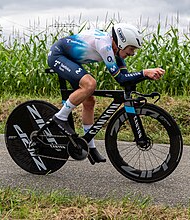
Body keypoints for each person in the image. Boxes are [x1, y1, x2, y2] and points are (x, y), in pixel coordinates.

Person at [47, 23, 165, 163]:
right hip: (58, 55)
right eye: (131, 48)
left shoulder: (117, 50)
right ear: (122, 43)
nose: (132, 53)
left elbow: (125, 78)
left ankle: (89, 146)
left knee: (89, 101)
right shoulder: (105, 46)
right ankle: (60, 118)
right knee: (90, 84)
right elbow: (120, 79)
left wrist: (143, 77)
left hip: (71, 60)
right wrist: (145, 73)